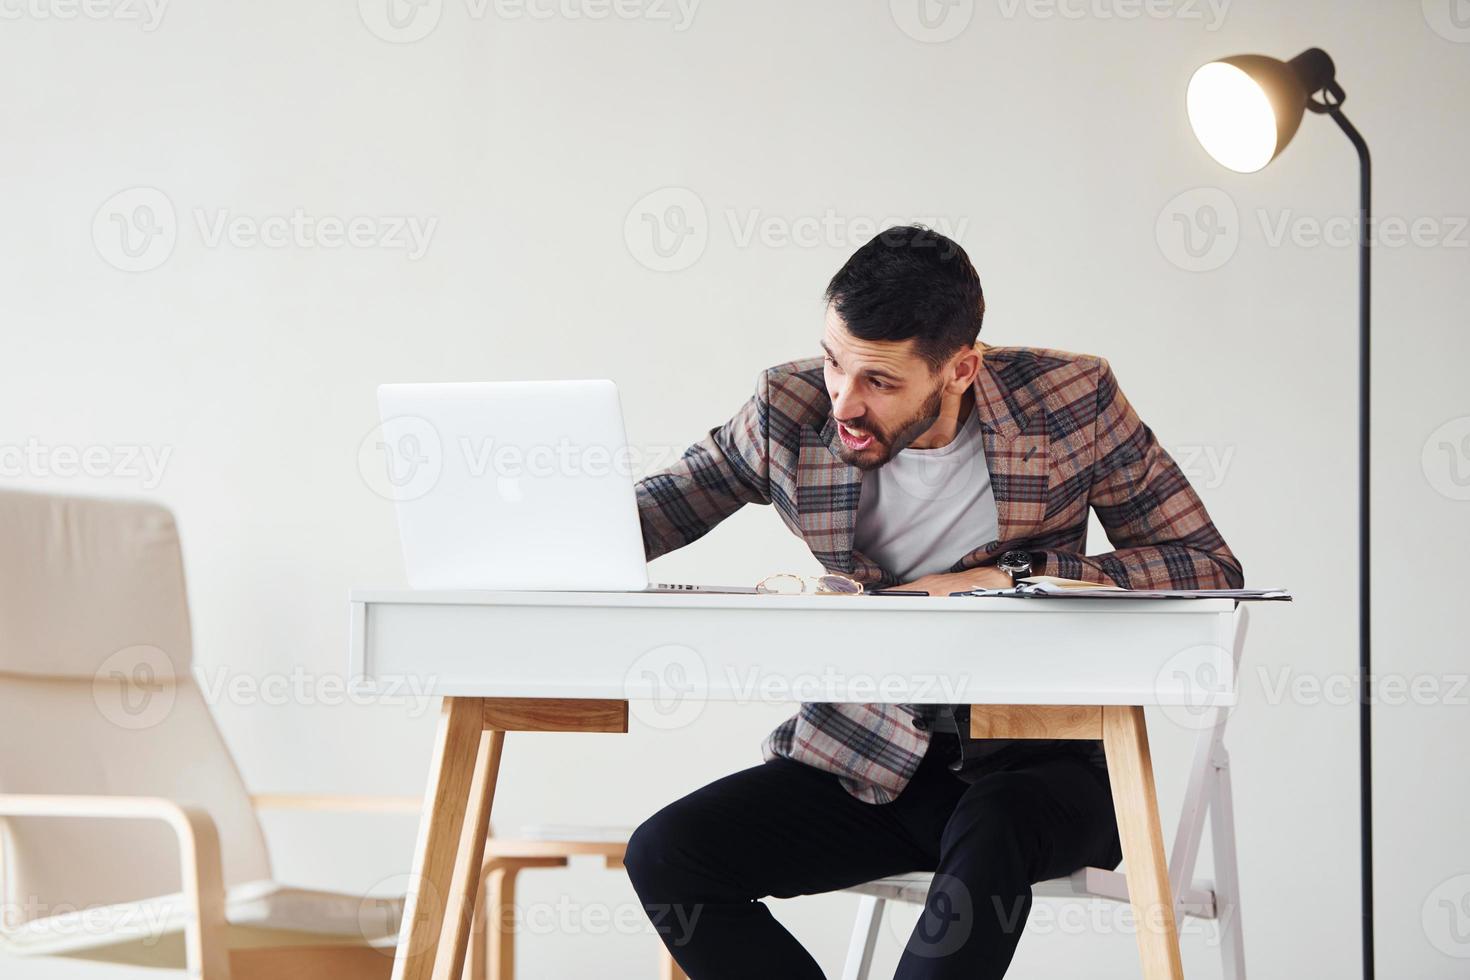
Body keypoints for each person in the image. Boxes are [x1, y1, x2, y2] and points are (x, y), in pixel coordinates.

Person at [624, 224, 1243, 979]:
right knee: (669, 854)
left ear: (960, 370)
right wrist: (506, 534)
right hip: (868, 763)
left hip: (1040, 776)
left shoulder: (1070, 402)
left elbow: (1206, 566)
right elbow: (656, 511)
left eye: (879, 382)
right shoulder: (788, 410)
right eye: (834, 364)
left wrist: (1010, 576)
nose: (844, 402)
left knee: (995, 822)